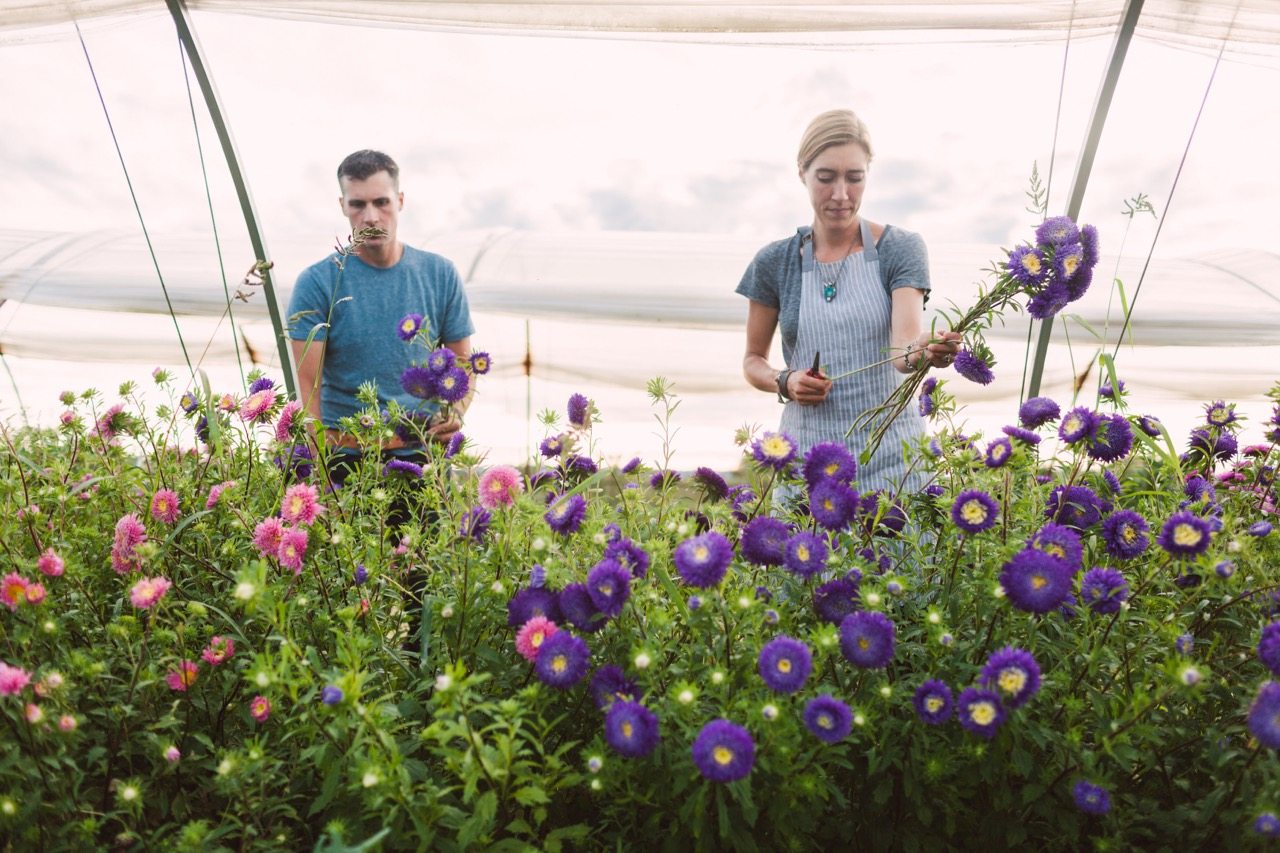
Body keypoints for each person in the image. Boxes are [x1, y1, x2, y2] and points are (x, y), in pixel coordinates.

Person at [737, 109, 960, 492]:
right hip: (808, 461)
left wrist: (926, 351)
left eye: (854, 178)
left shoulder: (900, 248)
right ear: (802, 172)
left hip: (892, 458)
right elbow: (752, 361)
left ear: (868, 174)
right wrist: (786, 381)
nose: (841, 194)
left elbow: (903, 353)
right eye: (825, 177)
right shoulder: (775, 262)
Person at [287, 149, 475, 489]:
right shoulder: (317, 282)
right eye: (358, 204)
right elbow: (308, 389)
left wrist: (455, 413)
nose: (370, 216)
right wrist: (321, 474)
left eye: (381, 202)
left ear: (400, 200)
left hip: (424, 456)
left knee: (427, 544)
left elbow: (462, 364)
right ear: (343, 205)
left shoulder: (440, 274)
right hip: (345, 459)